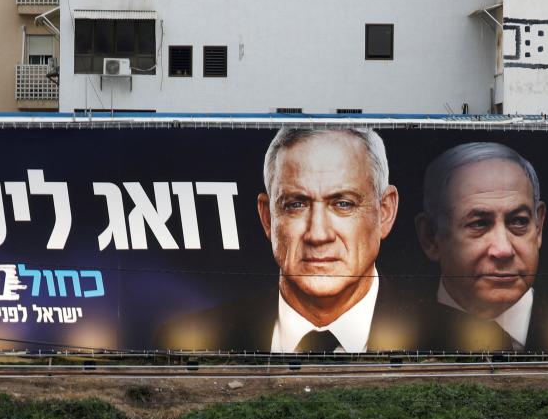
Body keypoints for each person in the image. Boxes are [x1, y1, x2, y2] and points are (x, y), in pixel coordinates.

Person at [155, 126, 417, 353]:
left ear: (385, 212)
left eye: (343, 204)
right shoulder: (187, 337)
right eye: (296, 205)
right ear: (267, 217)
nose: (318, 234)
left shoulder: (440, 329)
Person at [413, 141, 548, 352]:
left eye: (518, 221)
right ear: (431, 237)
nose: (503, 249)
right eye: (478, 224)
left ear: (539, 226)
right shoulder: (404, 328)